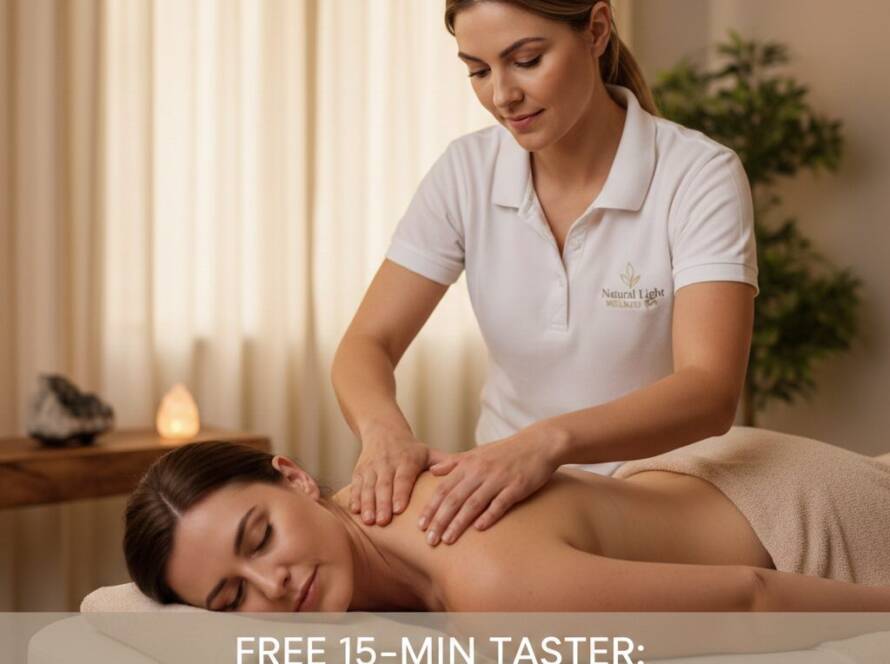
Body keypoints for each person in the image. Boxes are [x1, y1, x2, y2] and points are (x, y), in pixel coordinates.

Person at [331, 0, 758, 549]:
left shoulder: (697, 176)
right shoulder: (466, 172)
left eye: (527, 60)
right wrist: (382, 431)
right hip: (508, 504)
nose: (502, 95)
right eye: (478, 71)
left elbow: (709, 390)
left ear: (597, 30)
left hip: (662, 506)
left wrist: (546, 444)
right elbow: (368, 341)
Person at [123, 428, 890, 612]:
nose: (272, 581)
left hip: (797, 518)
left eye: (258, 538)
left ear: (294, 477)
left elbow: (752, 595)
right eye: (230, 598)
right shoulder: (350, 517)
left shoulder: (489, 583)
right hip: (688, 481)